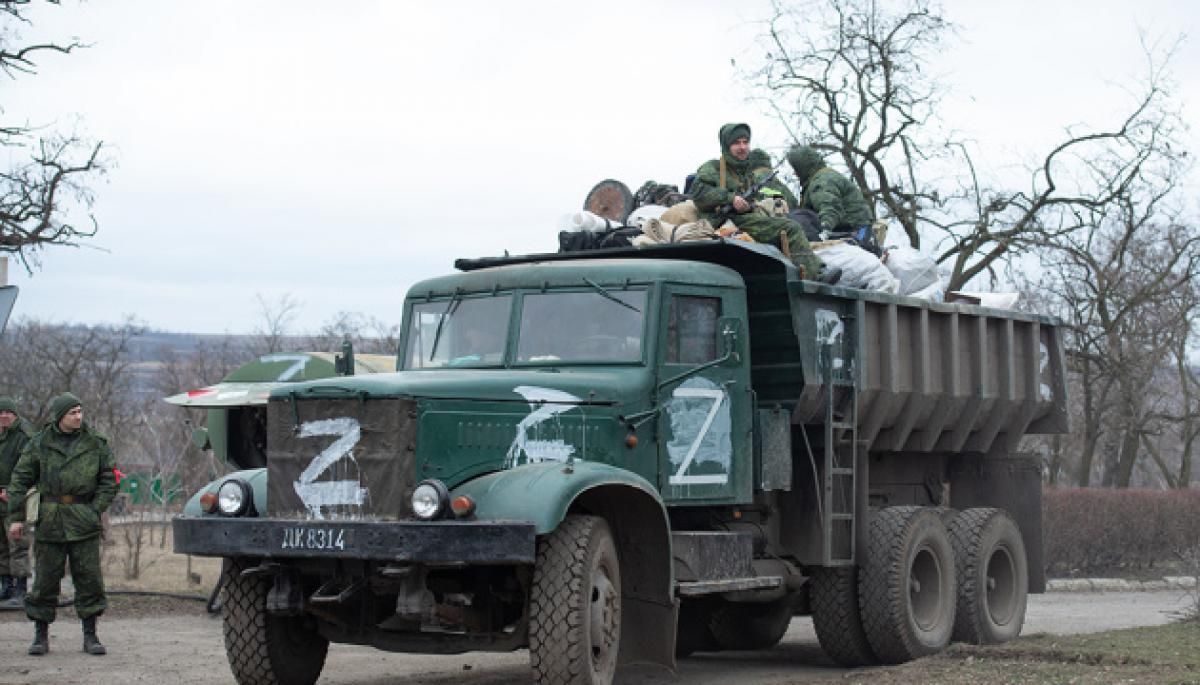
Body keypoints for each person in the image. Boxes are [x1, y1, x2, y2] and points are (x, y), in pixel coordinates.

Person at [6, 393, 117, 656]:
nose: (78, 416)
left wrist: (95, 510)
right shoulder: (39, 444)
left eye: (80, 411)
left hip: (83, 519)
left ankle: (90, 636)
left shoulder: (95, 443)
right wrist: (16, 518)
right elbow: (20, 480)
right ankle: (40, 636)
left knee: (89, 580)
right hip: (51, 520)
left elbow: (109, 480)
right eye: (72, 413)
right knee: (44, 580)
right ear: (60, 417)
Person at [691, 123, 829, 280]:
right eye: (736, 143)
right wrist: (730, 198)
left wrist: (748, 205)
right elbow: (698, 194)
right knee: (791, 228)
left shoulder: (746, 172)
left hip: (742, 218)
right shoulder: (713, 168)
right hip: (722, 222)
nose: (742, 147)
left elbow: (750, 202)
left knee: (787, 221)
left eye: (745, 142)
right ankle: (815, 274)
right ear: (726, 145)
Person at [786, 145, 874, 242]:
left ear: (803, 167)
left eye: (796, 169)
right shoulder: (822, 176)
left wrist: (824, 230)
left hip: (855, 231)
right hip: (850, 229)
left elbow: (830, 206)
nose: (794, 173)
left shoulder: (821, 181)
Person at [0, 396, 33, 608]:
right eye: (0, 413)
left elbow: (28, 469)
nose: (4, 416)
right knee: (1, 545)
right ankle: (6, 586)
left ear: (15, 414)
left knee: (17, 543)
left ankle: (21, 590)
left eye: (7, 412)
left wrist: (12, 491)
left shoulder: (24, 436)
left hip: (15, 498)